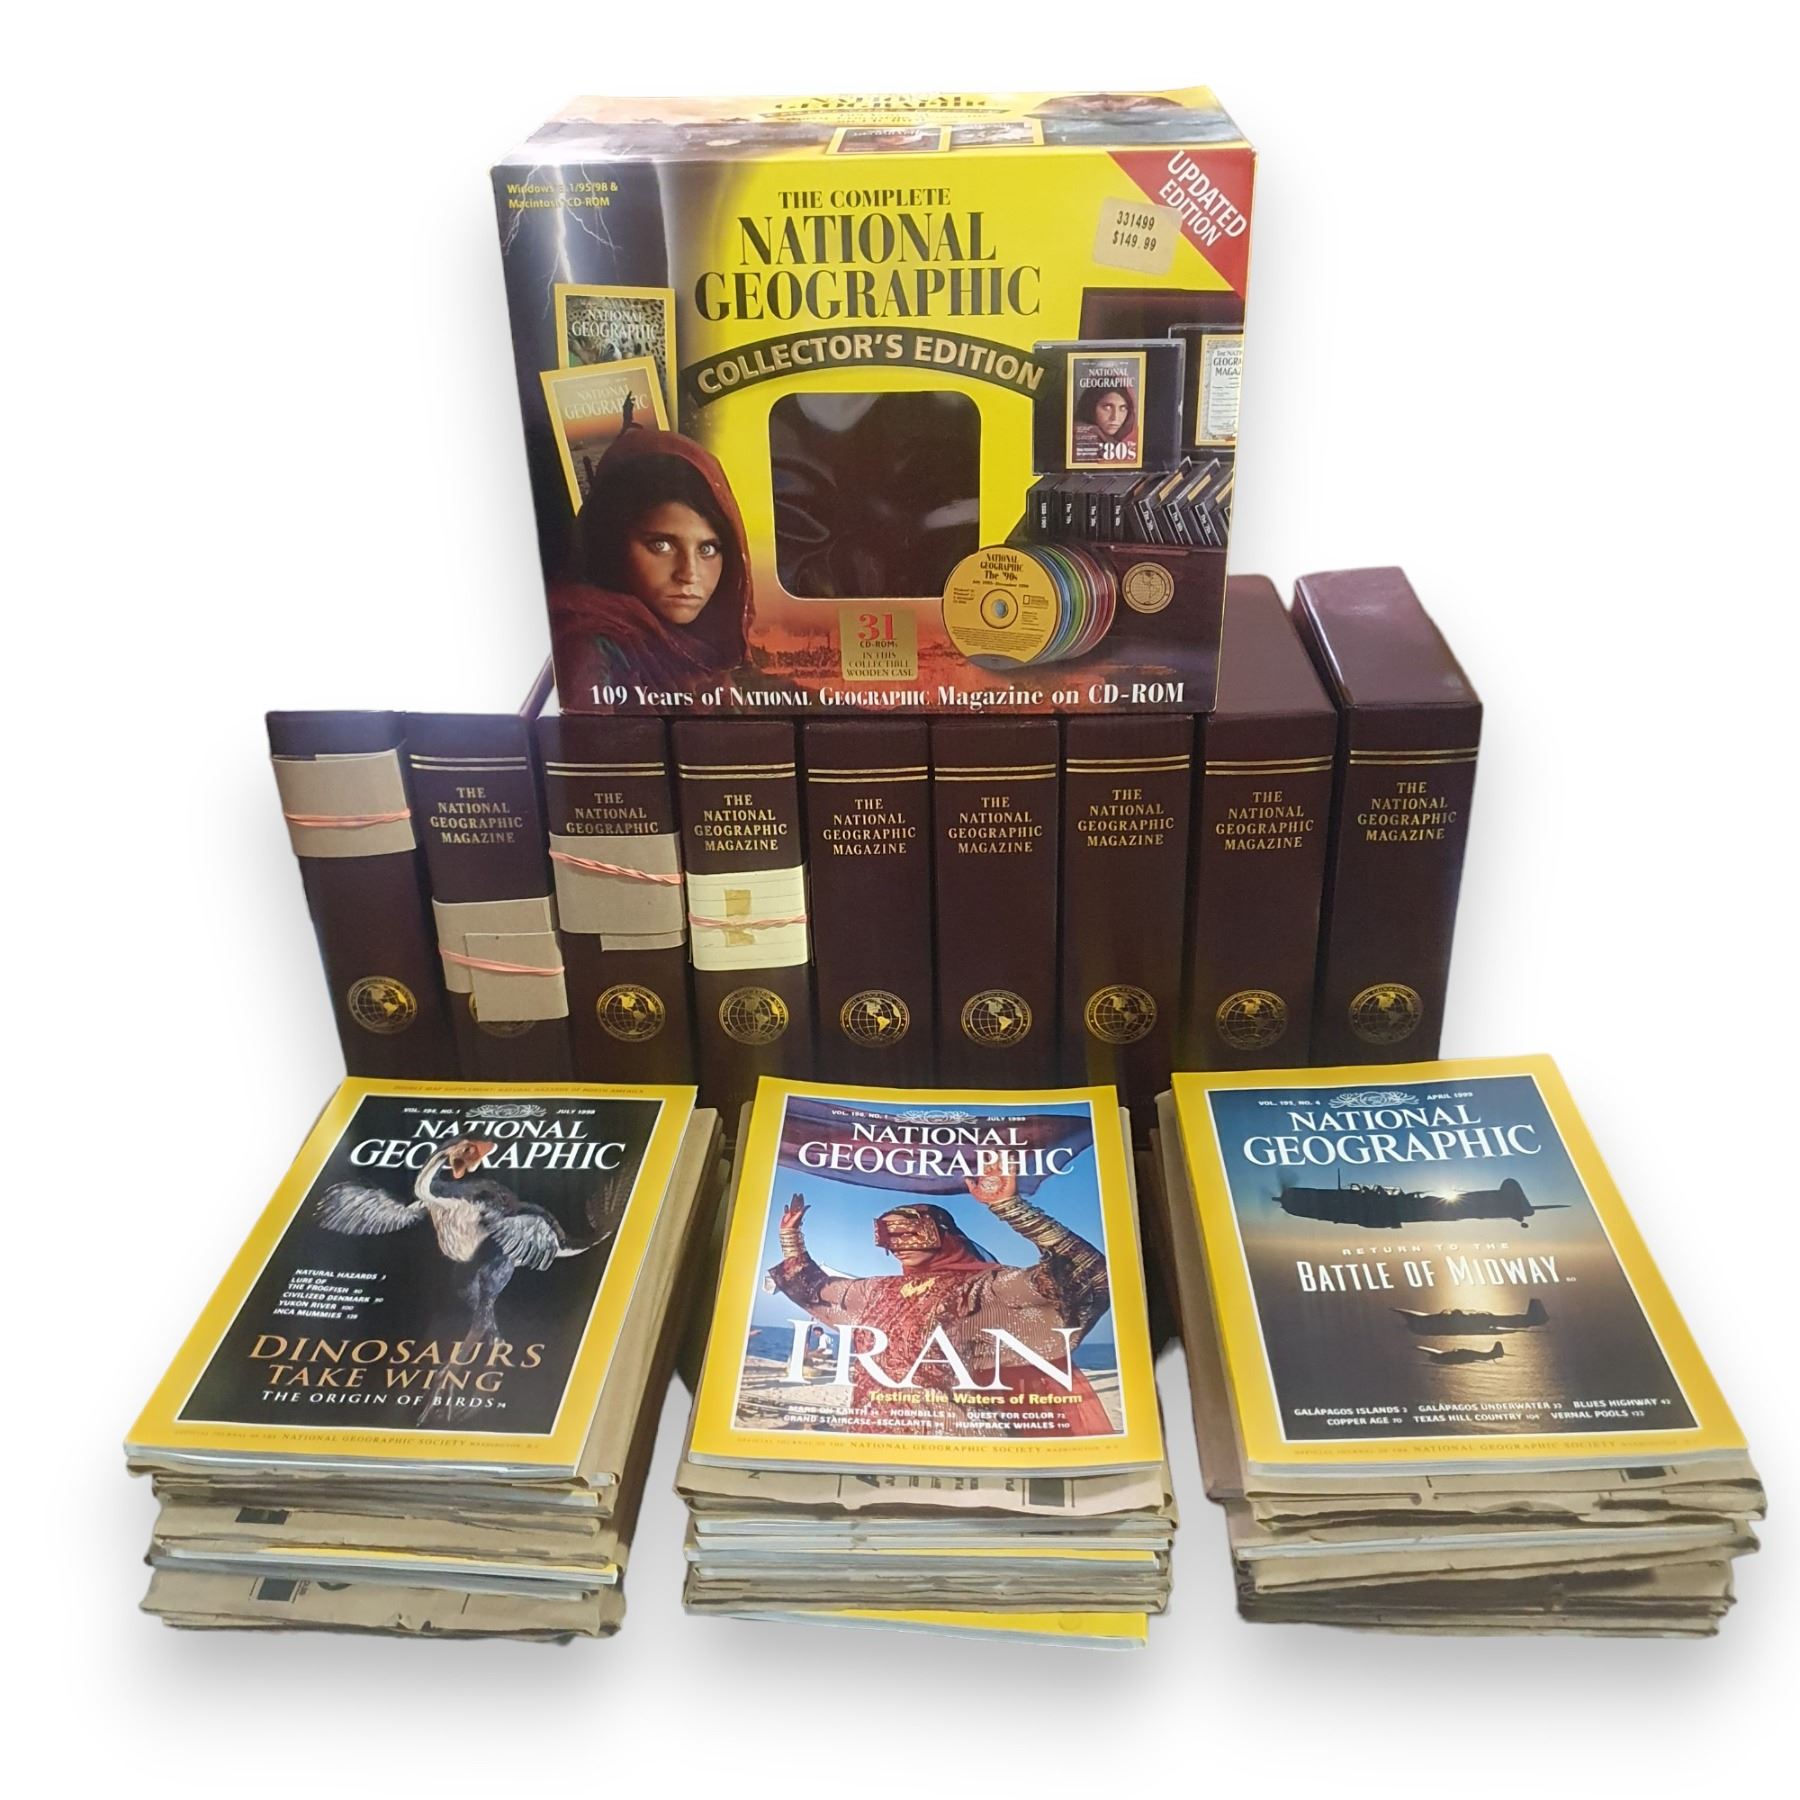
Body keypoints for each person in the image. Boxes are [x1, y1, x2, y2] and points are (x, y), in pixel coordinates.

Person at [766, 1167, 1116, 1436]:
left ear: (942, 1235)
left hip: (952, 1434)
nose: (897, 1245)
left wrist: (1011, 1208)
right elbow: (814, 1287)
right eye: (888, 1237)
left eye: (909, 1233)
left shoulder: (984, 1289)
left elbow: (1083, 1274)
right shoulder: (876, 1290)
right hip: (873, 1432)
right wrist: (790, 1237)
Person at [549, 428, 752, 698]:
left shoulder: (704, 654)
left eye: (707, 549)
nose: (689, 574)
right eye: (662, 545)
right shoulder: (583, 649)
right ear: (611, 543)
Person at [1072, 380, 1137, 460]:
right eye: (1107, 407)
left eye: (1123, 408)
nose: (1115, 417)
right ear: (1091, 407)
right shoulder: (1084, 439)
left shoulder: (1120, 441)